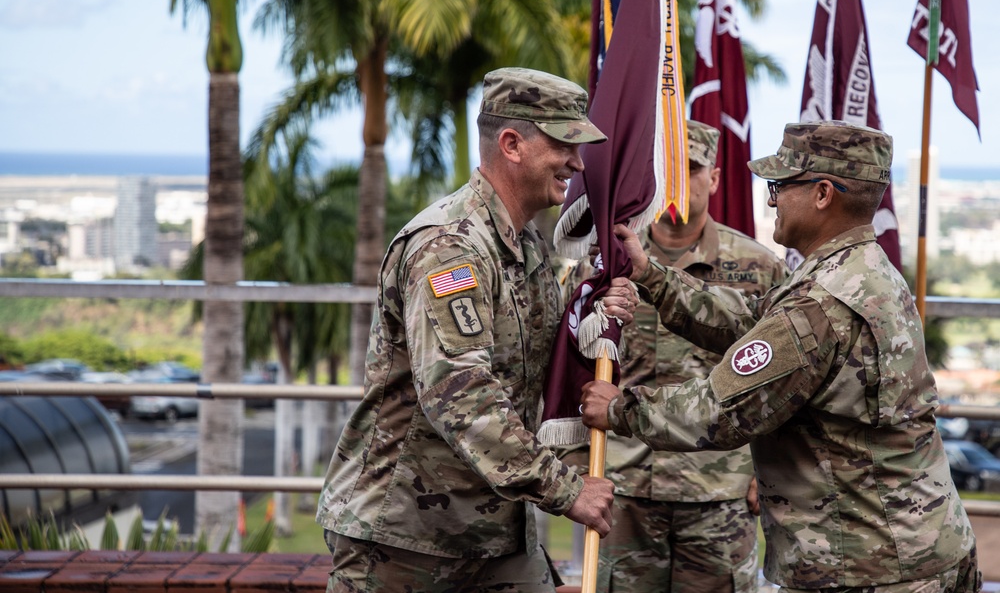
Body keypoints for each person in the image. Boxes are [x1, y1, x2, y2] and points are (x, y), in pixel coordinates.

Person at [583, 120, 980, 593]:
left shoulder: (823, 302)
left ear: (822, 194)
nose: (771, 200)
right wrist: (654, 277)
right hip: (907, 548)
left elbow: (720, 409)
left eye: (779, 186)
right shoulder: (860, 270)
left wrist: (618, 409)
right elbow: (755, 322)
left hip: (868, 565)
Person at [317, 67, 637, 593]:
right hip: (406, 537)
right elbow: (459, 393)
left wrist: (594, 300)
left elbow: (538, 349)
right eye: (563, 145)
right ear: (512, 144)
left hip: (492, 531)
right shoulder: (450, 244)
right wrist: (565, 489)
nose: (577, 163)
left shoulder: (524, 244)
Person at [588, 120, 788, 593]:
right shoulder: (606, 262)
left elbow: (783, 380)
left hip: (719, 490)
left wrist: (770, 474)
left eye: (691, 169)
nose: (678, 183)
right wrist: (580, 466)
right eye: (666, 170)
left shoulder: (760, 267)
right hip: (626, 486)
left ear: (714, 179)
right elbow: (574, 369)